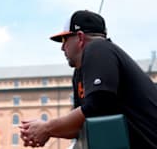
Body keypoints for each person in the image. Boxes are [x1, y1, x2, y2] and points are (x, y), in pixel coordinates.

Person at [19, 10, 157, 148]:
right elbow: (82, 124)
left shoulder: (98, 48)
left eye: (64, 40)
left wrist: (47, 127)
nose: (62, 47)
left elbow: (98, 105)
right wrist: (46, 131)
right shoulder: (80, 72)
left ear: (80, 38)